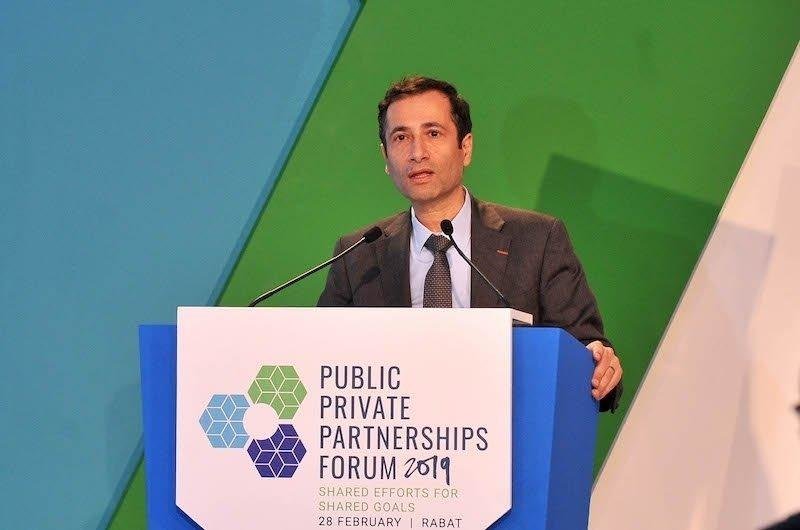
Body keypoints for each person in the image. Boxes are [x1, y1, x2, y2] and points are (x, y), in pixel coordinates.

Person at [317, 76, 622, 411]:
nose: (417, 153)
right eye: (401, 137)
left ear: (466, 147)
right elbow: (320, 363)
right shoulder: (357, 254)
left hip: (510, 431)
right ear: (386, 158)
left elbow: (587, 354)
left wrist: (599, 366)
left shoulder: (537, 239)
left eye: (433, 133)